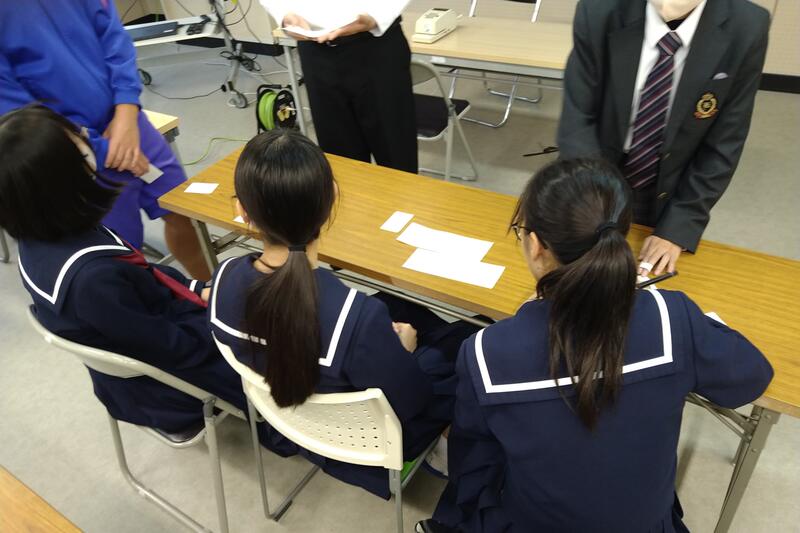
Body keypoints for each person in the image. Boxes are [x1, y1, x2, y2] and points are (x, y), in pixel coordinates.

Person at [424, 159, 773, 532]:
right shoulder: (672, 317)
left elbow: (472, 462)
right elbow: (751, 377)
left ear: (536, 246)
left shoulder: (485, 353)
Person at [208, 129, 478, 498]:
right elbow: (416, 401)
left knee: (398, 304)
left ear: (241, 209)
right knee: (470, 342)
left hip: (293, 422)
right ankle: (445, 447)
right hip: (374, 441)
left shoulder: (222, 280)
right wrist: (406, 351)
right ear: (332, 197)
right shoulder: (356, 318)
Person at [0, 105, 242, 433]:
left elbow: (145, 279)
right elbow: (172, 348)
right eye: (79, 142)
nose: (88, 138)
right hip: (170, 388)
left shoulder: (41, 239)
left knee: (245, 285)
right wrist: (233, 325)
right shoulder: (93, 279)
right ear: (64, 178)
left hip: (157, 339)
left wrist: (198, 290)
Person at [557, 0, 770, 276]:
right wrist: (590, 206)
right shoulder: (600, 9)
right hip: (596, 167)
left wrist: (677, 227)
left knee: (651, 278)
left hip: (669, 184)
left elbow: (725, 142)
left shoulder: (747, 25)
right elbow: (577, 119)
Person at [0, 0, 210, 280]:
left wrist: (126, 111)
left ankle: (209, 292)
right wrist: (102, 148)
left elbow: (114, 38)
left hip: (127, 122)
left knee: (184, 211)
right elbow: (19, 114)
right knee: (118, 251)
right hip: (70, 154)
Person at [260, 1, 418, 173]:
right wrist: (284, 14)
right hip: (316, 49)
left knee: (396, 153)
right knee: (339, 157)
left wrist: (376, 16)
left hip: (376, 45)